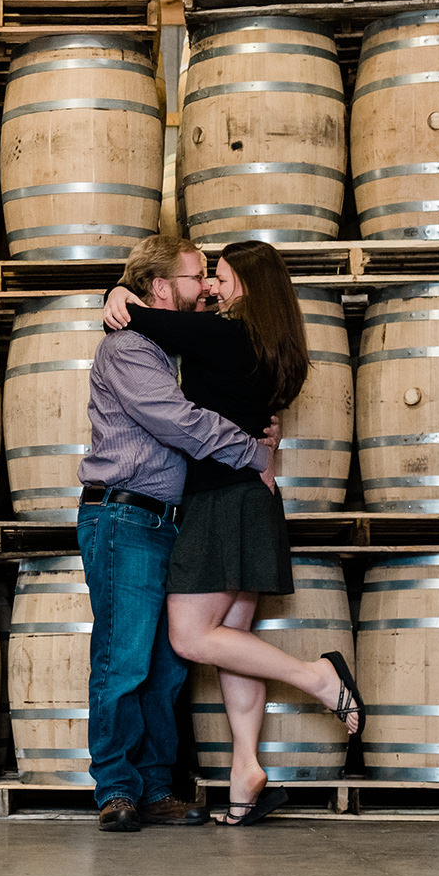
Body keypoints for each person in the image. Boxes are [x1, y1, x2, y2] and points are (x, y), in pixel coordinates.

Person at [102, 240, 364, 827]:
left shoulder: (224, 335)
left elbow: (146, 316)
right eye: (207, 278)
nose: (212, 289)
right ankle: (247, 772)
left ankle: (316, 676)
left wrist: (116, 291)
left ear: (246, 284)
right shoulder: (271, 346)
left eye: (219, 278)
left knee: (191, 639)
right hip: (253, 501)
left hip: (220, 502)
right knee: (232, 643)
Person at [80, 234, 281, 834]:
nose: (206, 290)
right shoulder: (131, 349)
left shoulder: (174, 350)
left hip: (169, 517)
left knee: (167, 665)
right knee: (124, 660)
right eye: (198, 278)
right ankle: (116, 787)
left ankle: (156, 785)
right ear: (163, 286)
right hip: (126, 515)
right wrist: (252, 450)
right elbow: (178, 421)